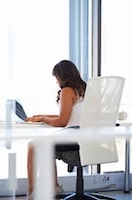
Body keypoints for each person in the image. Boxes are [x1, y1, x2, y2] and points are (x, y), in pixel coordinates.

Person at [25, 60, 87, 200]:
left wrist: (44, 119)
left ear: (62, 76)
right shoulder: (85, 89)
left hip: (74, 139)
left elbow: (62, 121)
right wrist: (42, 117)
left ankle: (31, 192)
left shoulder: (67, 90)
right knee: (46, 143)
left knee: (33, 145)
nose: (56, 81)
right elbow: (69, 115)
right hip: (86, 138)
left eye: (56, 77)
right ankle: (54, 186)